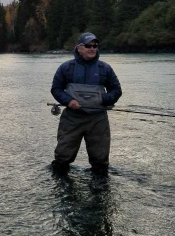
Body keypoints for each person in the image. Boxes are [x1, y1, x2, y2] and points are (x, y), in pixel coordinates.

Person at [50, 33, 122, 175]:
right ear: (79, 48)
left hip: (98, 119)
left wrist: (104, 99)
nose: (92, 48)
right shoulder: (66, 68)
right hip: (72, 118)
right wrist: (69, 101)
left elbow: (116, 90)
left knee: (100, 162)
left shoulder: (105, 69)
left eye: (95, 45)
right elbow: (56, 89)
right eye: (88, 45)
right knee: (62, 158)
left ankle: (99, 189)